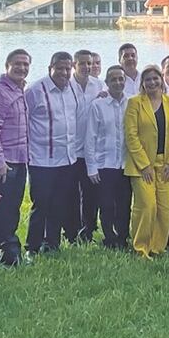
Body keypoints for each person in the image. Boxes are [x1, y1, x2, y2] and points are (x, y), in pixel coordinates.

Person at [25, 51, 86, 252]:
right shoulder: (36, 90)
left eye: (68, 68)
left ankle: (52, 243)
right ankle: (32, 247)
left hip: (67, 159)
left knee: (59, 204)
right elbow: (24, 122)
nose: (64, 72)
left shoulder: (73, 89)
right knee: (41, 204)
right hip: (41, 159)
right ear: (50, 68)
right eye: (59, 68)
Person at [124, 65, 169, 257]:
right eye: (147, 79)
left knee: (164, 210)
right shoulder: (134, 103)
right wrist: (144, 165)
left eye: (155, 78)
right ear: (142, 83)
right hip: (142, 166)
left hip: (165, 165)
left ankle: (157, 248)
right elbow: (131, 136)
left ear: (161, 80)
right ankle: (140, 248)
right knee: (147, 206)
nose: (152, 82)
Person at [0, 49, 30, 267]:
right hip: (2, 161)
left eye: (26, 64)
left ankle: (8, 252)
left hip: (20, 159)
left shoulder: (19, 90)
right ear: (7, 66)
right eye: (17, 64)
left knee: (12, 208)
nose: (22, 68)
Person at [85, 65, 131, 249]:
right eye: (114, 79)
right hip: (104, 164)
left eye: (121, 79)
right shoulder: (98, 105)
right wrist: (91, 167)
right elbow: (90, 138)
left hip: (126, 164)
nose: (118, 82)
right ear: (107, 83)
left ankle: (123, 237)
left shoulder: (133, 103)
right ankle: (109, 238)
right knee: (106, 204)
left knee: (124, 203)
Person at [72, 48, 104, 240]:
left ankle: (89, 229)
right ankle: (72, 229)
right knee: (71, 194)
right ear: (75, 65)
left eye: (89, 63)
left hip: (91, 149)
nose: (86, 67)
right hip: (70, 149)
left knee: (91, 193)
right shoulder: (67, 85)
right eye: (82, 63)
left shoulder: (99, 86)